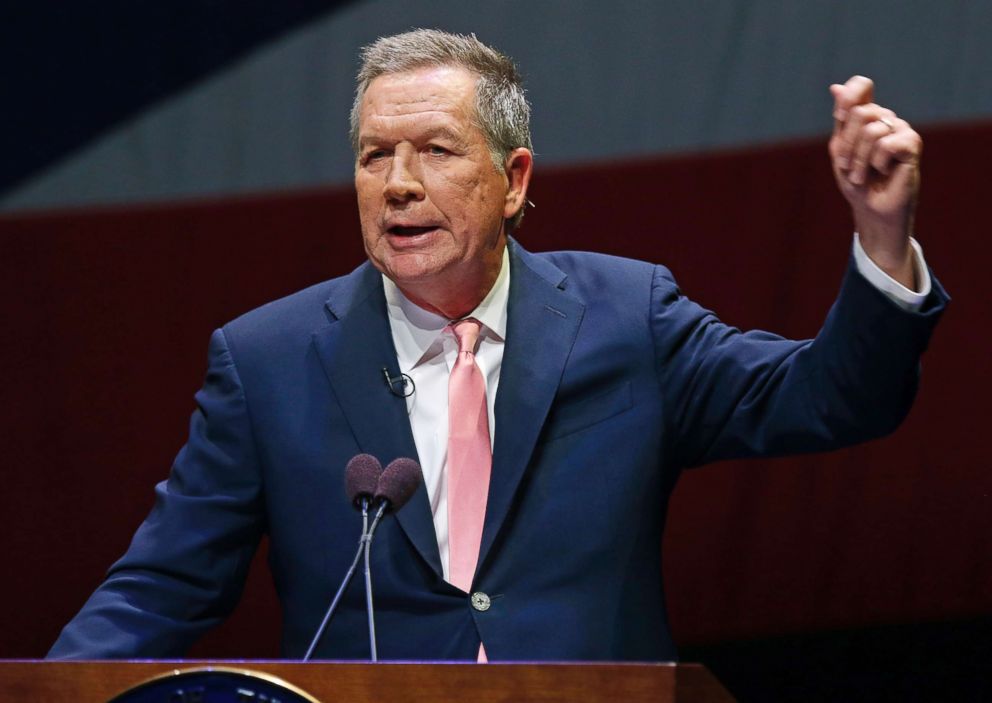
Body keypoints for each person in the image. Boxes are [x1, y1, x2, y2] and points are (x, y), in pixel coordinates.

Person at [49, 29, 947, 662]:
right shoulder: (269, 360)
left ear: (513, 179)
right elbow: (156, 591)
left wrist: (879, 234)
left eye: (435, 150)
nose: (398, 185)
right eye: (373, 157)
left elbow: (831, 395)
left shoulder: (626, 317)